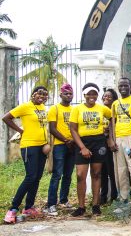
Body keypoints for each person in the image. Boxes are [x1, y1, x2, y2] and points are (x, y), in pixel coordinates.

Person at [2, 86, 49, 223]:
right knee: (31, 176)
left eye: (45, 95)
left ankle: (29, 207)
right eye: (39, 94)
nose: (42, 96)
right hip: (29, 145)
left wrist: (46, 143)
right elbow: (6, 118)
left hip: (42, 147)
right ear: (33, 94)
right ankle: (13, 209)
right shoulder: (25, 106)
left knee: (37, 177)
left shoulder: (42, 108)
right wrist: (20, 131)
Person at [69, 83, 112, 217]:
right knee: (80, 175)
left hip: (98, 141)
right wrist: (82, 147)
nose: (92, 96)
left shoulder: (102, 108)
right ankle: (81, 206)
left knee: (96, 173)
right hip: (83, 142)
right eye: (89, 94)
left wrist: (109, 135)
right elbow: (73, 129)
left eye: (94, 93)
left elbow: (112, 119)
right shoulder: (77, 109)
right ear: (84, 95)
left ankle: (95, 205)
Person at [109, 77, 131, 215]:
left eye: (126, 85)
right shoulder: (115, 103)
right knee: (120, 171)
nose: (123, 87)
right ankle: (124, 200)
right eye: (120, 85)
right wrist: (112, 140)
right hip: (118, 140)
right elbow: (113, 122)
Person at [44, 84, 75, 216]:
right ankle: (51, 204)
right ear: (61, 95)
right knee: (57, 175)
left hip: (72, 145)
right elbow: (52, 128)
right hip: (60, 145)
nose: (69, 96)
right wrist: (66, 140)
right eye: (66, 93)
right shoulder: (54, 108)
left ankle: (64, 199)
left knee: (68, 175)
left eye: (70, 93)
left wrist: (72, 141)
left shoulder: (74, 109)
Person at [100, 88, 119, 205]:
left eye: (109, 96)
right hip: (100, 144)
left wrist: (109, 136)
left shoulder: (115, 111)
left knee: (112, 171)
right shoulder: (100, 110)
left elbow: (114, 126)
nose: (106, 98)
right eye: (105, 96)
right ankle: (103, 196)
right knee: (102, 171)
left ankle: (114, 196)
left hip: (111, 143)